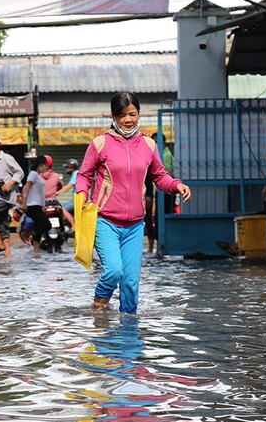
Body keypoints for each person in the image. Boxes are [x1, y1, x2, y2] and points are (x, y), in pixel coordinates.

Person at [76, 92, 191, 314]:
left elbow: (159, 175)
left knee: (130, 283)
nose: (128, 120)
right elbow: (84, 175)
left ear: (139, 114)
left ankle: (129, 333)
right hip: (105, 221)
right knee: (114, 271)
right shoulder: (100, 144)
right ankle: (99, 306)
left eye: (132, 114)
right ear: (113, 116)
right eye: (122, 115)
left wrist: (177, 185)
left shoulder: (148, 145)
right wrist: (83, 195)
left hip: (135, 225)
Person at [145, 132, 174, 256]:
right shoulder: (157, 155)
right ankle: (157, 247)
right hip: (156, 192)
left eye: (157, 142)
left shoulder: (165, 155)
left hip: (165, 192)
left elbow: (165, 175)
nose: (156, 145)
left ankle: (161, 247)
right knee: (155, 219)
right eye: (154, 142)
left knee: (161, 219)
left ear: (164, 143)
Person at [20, 155, 52, 257]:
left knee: (39, 228)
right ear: (40, 165)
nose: (46, 168)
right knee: (47, 225)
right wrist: (24, 203)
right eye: (46, 165)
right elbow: (26, 188)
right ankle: (27, 234)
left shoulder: (38, 176)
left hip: (38, 205)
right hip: (32, 205)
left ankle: (36, 253)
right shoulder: (33, 174)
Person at [57, 158, 79, 232]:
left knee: (63, 209)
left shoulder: (76, 173)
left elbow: (68, 187)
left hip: (77, 200)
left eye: (67, 167)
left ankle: (73, 226)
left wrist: (57, 193)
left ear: (72, 168)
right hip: (76, 199)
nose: (66, 169)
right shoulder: (75, 173)